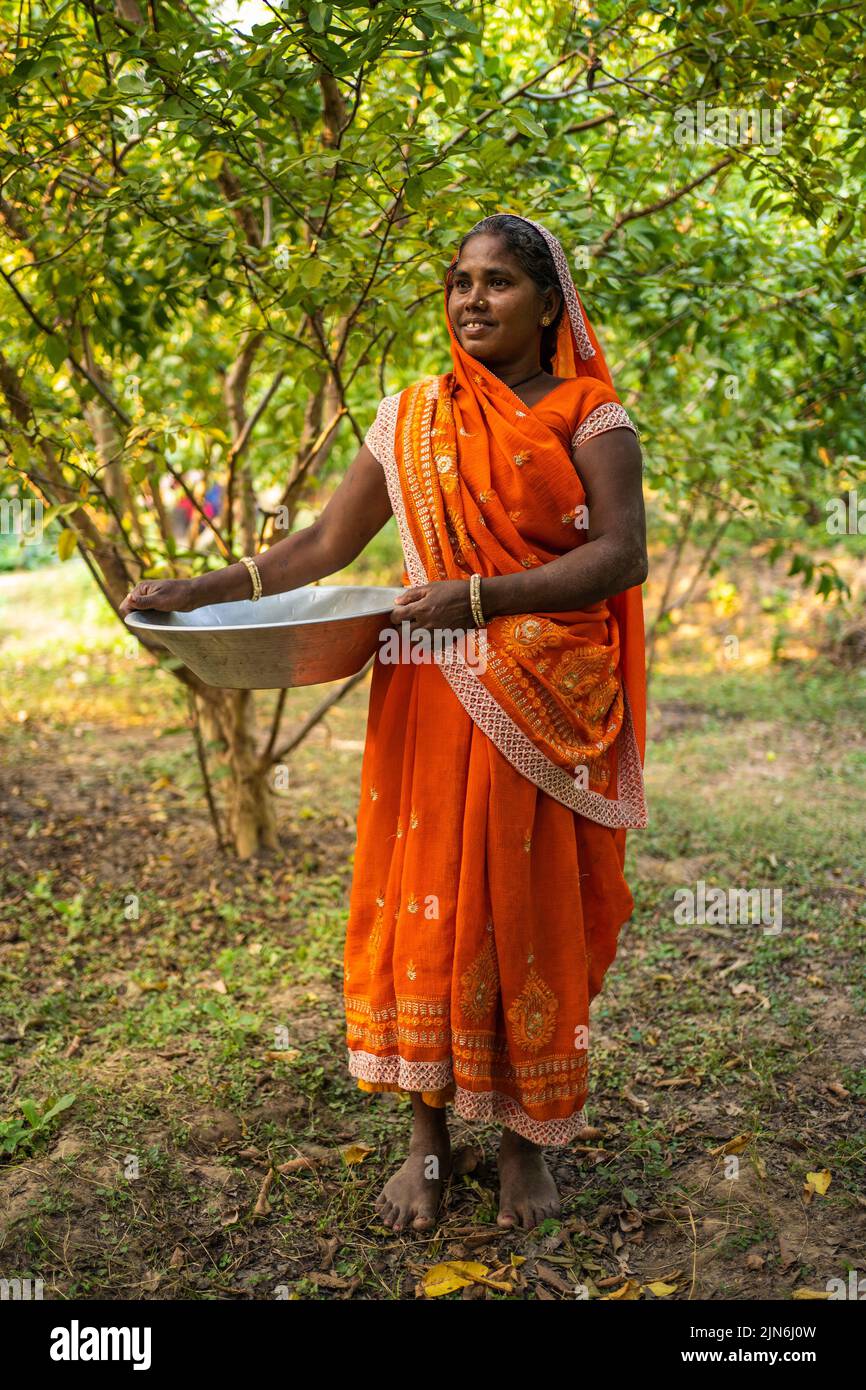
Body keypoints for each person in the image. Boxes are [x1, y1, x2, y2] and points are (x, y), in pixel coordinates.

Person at [120, 212, 648, 1234]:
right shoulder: (410, 416)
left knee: (526, 907)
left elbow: (619, 556)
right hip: (427, 693)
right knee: (429, 900)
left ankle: (524, 1143)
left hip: (544, 701)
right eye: (458, 281)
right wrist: (202, 587)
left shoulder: (593, 417)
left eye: (498, 282)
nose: (471, 300)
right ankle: (426, 1143)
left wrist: (480, 597)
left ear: (549, 304)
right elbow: (322, 541)